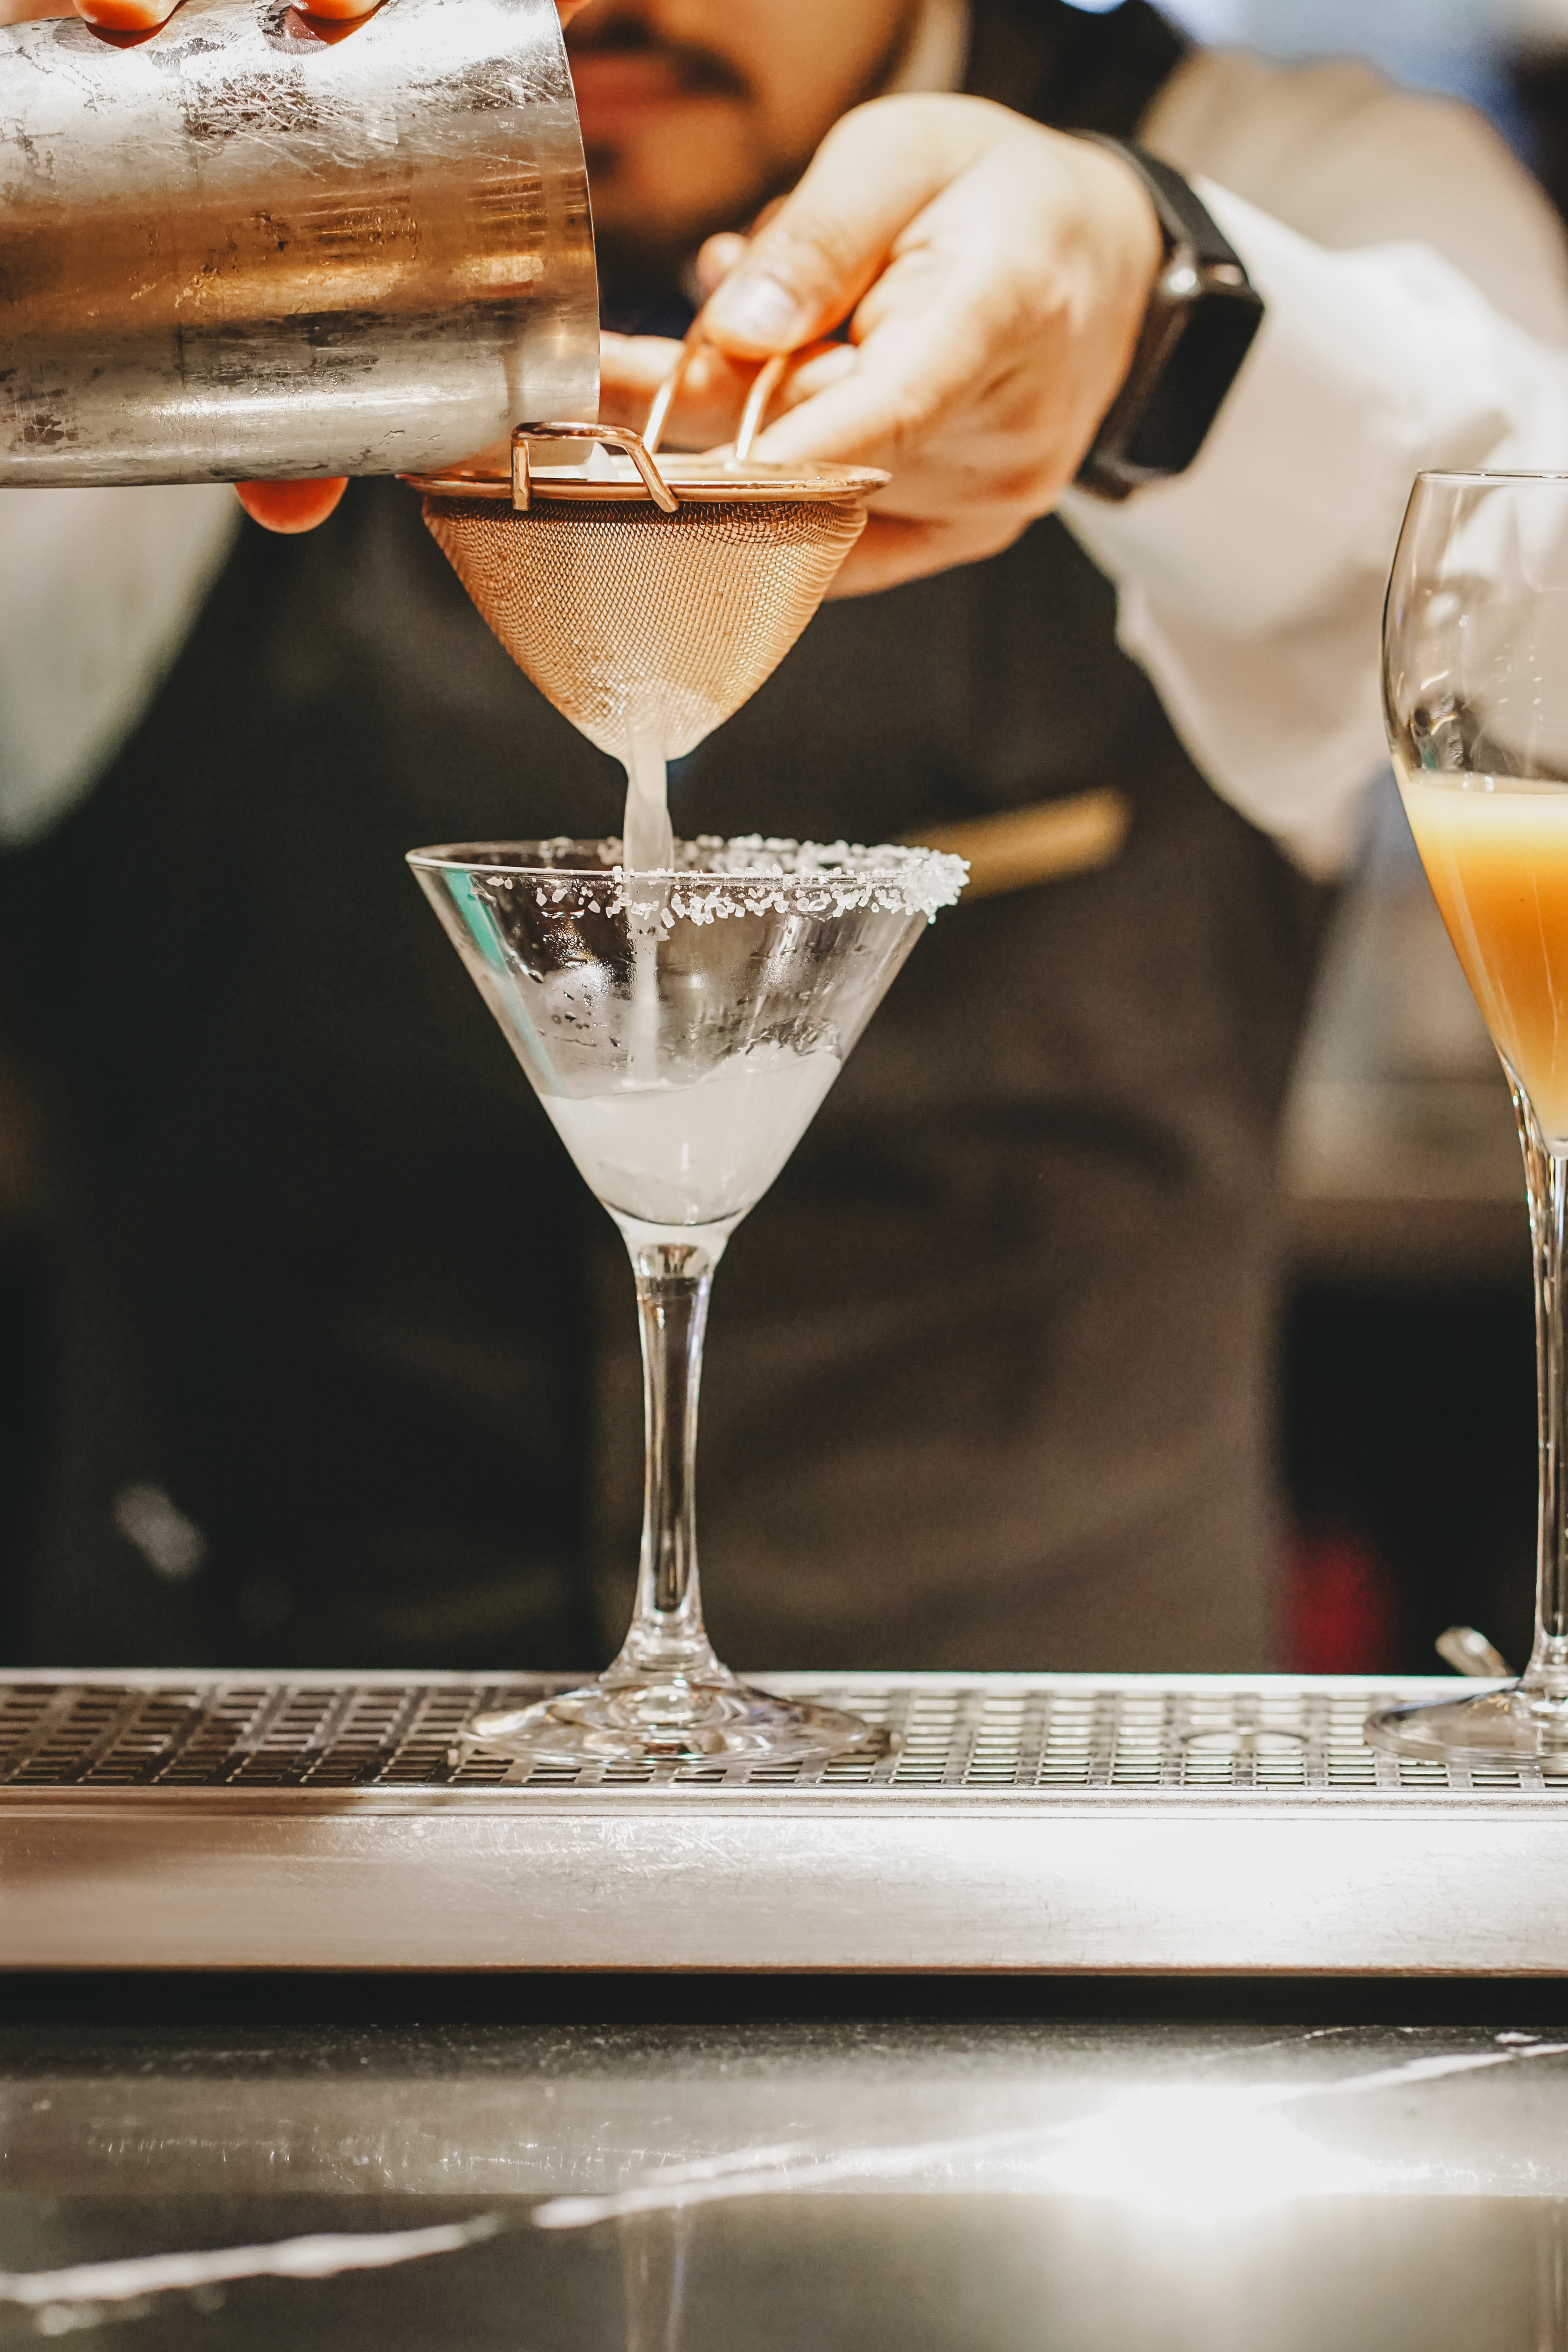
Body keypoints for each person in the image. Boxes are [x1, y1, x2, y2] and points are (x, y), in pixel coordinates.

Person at [2, 0, 1568, 1674]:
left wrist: (1154, 321)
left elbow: (1525, 588)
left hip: (1049, 1784)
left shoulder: (1296, 173)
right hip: (234, 1753)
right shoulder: (175, 202)